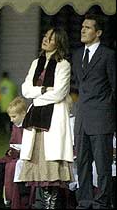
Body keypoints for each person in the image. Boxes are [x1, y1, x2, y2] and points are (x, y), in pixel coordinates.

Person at [15, 27, 74, 209]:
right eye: (45, 36)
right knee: (37, 160)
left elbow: (59, 93)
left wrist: (38, 96)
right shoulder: (36, 63)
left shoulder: (63, 64)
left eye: (50, 38)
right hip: (37, 119)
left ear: (59, 42)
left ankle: (51, 204)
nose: (45, 39)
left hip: (53, 119)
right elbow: (25, 89)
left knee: (51, 163)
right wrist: (42, 90)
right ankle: (41, 203)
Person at [71, 13, 116, 209]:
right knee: (82, 162)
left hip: (101, 117)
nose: (83, 30)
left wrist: (108, 110)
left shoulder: (108, 55)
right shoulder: (77, 55)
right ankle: (85, 200)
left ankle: (103, 202)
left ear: (98, 32)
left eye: (88, 27)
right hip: (82, 117)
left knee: (103, 164)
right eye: (82, 26)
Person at [0, 96, 30, 209]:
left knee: (11, 168)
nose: (11, 119)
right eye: (10, 117)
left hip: (23, 157)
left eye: (14, 116)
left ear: (23, 114)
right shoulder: (15, 126)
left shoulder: (28, 127)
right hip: (14, 154)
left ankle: (11, 199)